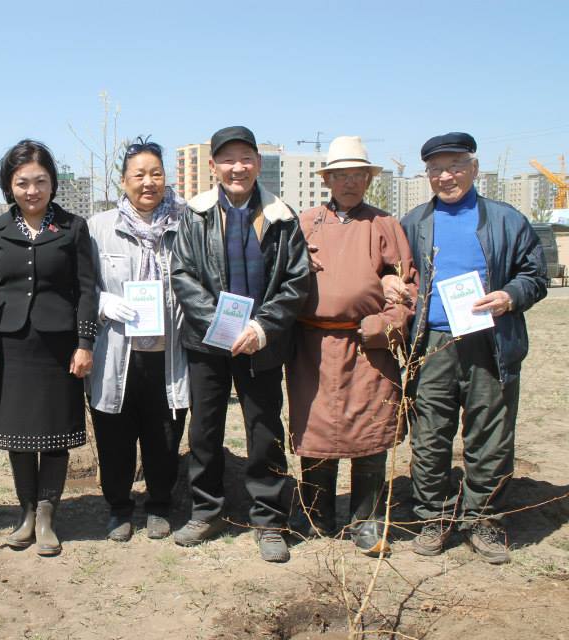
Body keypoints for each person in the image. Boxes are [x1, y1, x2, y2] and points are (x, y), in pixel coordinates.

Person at [399, 133, 547, 564]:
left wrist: (510, 296)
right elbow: (397, 274)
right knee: (429, 436)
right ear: (427, 175)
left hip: (490, 340)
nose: (446, 176)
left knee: (491, 435)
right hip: (434, 343)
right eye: (436, 169)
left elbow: (534, 275)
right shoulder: (414, 223)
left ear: (474, 168)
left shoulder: (506, 219)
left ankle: (484, 518)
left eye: (455, 166)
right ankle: (434, 517)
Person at [170, 126, 309, 562]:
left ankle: (269, 519)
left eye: (245, 158)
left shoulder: (282, 217)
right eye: (227, 159)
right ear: (213, 166)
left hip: (261, 344)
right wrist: (221, 326)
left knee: (264, 431)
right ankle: (206, 510)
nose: (237, 167)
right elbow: (184, 275)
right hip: (207, 343)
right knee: (205, 430)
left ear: (258, 164)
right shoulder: (195, 216)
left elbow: (295, 281)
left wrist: (262, 328)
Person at [286, 136, 418, 556]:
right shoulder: (305, 222)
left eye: (357, 174)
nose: (350, 182)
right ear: (327, 179)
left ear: (367, 178)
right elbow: (281, 275)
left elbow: (408, 286)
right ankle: (316, 515)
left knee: (371, 433)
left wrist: (385, 325)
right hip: (312, 346)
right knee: (316, 433)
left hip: (368, 348)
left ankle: (367, 520)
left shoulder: (385, 225)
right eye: (341, 174)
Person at [0, 139, 97, 557]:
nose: (32, 190)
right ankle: (25, 513)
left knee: (55, 429)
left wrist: (84, 342)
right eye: (22, 182)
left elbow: (86, 290)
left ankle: (47, 515)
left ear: (52, 183)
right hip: (10, 343)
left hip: (59, 344)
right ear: (10, 185)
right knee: (17, 433)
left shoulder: (73, 227)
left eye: (40, 181)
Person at [87, 138, 189, 542]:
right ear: (123, 181)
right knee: (114, 432)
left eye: (156, 173)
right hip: (118, 353)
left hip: (169, 352)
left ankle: (160, 504)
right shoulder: (99, 229)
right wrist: (102, 302)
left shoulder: (186, 225)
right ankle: (118, 507)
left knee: (165, 433)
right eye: (139, 175)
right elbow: (80, 286)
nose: (148, 182)